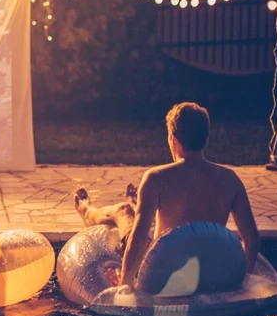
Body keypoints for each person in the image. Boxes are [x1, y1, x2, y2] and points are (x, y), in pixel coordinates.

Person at [73, 102, 260, 288]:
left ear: (172, 138)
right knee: (144, 213)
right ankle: (140, 206)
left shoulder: (157, 177)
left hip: (162, 273)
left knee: (123, 211)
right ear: (206, 138)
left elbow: (138, 240)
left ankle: (87, 210)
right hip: (210, 270)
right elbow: (251, 238)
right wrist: (243, 279)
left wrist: (126, 285)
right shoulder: (230, 179)